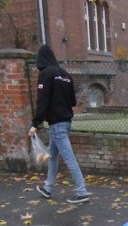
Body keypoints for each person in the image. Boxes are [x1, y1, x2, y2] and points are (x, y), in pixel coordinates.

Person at [28, 44, 90, 204]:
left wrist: (36, 123)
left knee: (69, 158)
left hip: (56, 124)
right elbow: (73, 101)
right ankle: (47, 188)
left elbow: (42, 101)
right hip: (65, 122)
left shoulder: (45, 74)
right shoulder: (65, 74)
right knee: (52, 156)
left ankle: (82, 192)